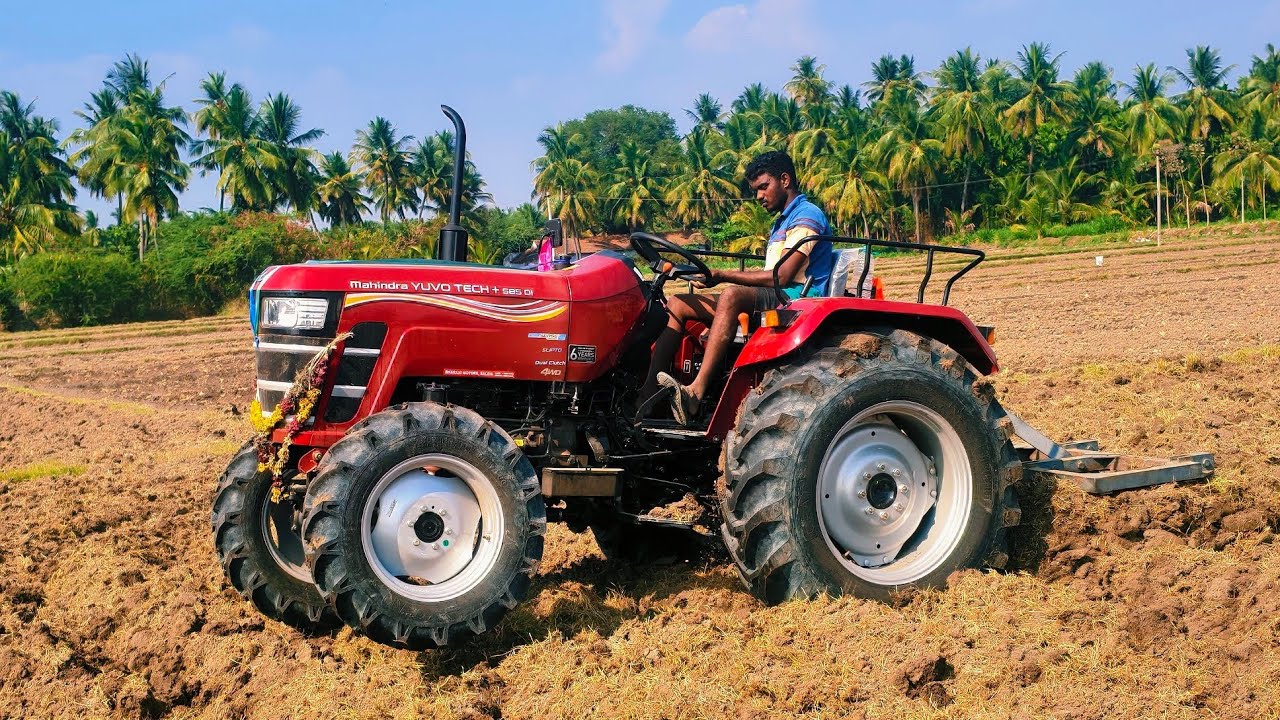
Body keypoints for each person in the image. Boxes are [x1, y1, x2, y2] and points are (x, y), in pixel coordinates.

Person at [639, 150, 833, 425]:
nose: (759, 196)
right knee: (677, 304)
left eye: (764, 187)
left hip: (798, 298)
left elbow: (784, 275)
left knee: (731, 295)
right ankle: (649, 390)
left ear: (785, 180)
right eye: (755, 190)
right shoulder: (781, 222)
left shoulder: (807, 215)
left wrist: (720, 274)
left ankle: (696, 392)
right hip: (776, 294)